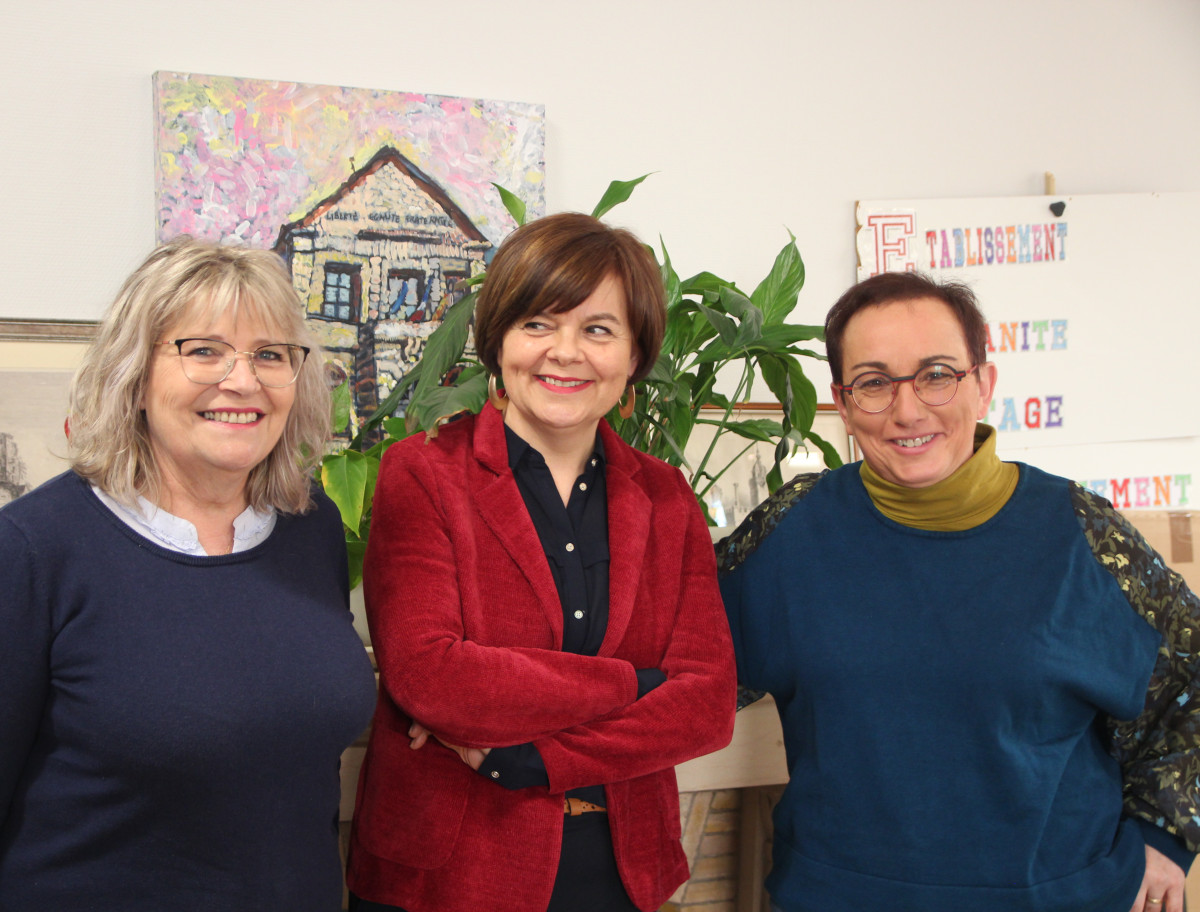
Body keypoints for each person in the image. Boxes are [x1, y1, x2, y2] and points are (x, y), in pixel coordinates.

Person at [0, 238, 376, 911]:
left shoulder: (310, 528)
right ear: (135, 375)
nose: (243, 379)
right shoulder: (31, 551)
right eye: (203, 350)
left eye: (271, 354)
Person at [717, 271, 1200, 912]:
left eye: (937, 373)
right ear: (843, 401)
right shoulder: (796, 531)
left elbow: (1190, 676)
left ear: (984, 385)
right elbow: (679, 645)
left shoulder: (1079, 532)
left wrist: (1166, 832)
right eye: (874, 382)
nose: (908, 409)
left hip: (1058, 897)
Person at [346, 212, 737, 912]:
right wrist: (641, 683)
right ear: (498, 341)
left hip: (620, 869)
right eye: (537, 324)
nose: (566, 352)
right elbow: (432, 678)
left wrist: (535, 759)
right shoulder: (425, 474)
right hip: (452, 875)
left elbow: (706, 707)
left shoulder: (665, 496)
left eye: (598, 329)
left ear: (635, 353)